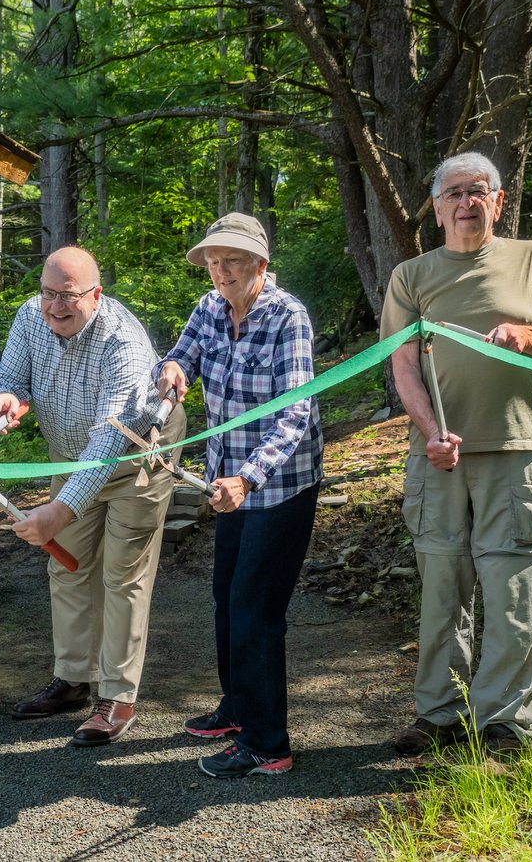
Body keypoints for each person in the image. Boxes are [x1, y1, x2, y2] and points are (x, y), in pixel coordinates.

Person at [381, 151, 532, 756]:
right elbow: (403, 365)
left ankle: (504, 722)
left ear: (498, 201)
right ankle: (441, 714)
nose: (466, 202)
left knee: (515, 589)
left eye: (479, 190)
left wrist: (531, 336)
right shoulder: (411, 276)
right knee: (443, 587)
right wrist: (429, 434)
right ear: (437, 207)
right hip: (438, 457)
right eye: (453, 192)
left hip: (519, 448)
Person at [0, 246, 186, 747]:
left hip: (135, 456)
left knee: (123, 574)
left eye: (68, 296)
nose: (55, 307)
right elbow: (9, 377)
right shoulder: (32, 315)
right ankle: (72, 679)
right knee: (66, 565)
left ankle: (118, 696)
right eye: (48, 293)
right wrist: (2, 398)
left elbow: (109, 440)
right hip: (72, 460)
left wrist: (59, 509)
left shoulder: (124, 343)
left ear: (95, 294)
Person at [155, 213, 323, 778]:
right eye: (214, 262)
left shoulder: (287, 317)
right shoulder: (209, 307)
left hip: (278, 486)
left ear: (261, 265)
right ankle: (237, 708)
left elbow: (295, 413)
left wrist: (248, 477)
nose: (221, 272)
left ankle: (267, 742)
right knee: (227, 600)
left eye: (233, 262)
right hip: (228, 484)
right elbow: (182, 355)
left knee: (255, 609)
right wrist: (174, 370)